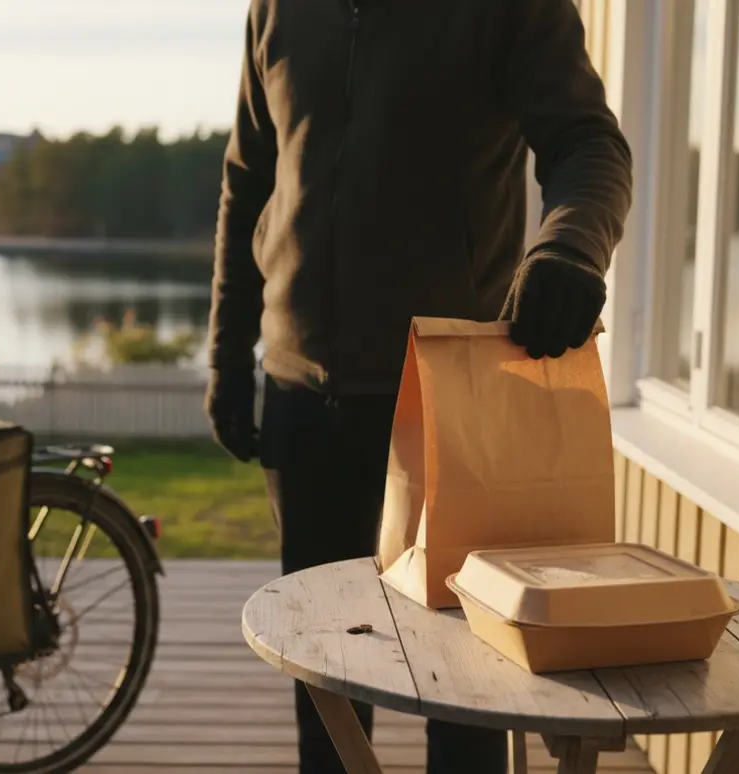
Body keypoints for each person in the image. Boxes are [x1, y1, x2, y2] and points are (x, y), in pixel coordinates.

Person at [203, 1, 633, 772]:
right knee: (326, 688)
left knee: (467, 697)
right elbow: (247, 181)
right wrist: (227, 354)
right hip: (301, 403)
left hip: (448, 406)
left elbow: (588, 144)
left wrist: (570, 247)